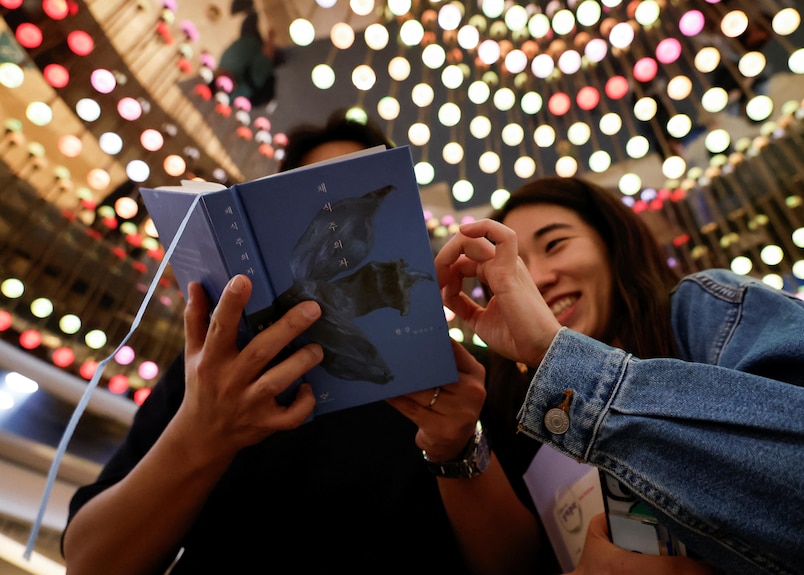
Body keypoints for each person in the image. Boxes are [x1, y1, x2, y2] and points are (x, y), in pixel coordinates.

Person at [60, 112, 558, 574]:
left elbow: (522, 565)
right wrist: (203, 432)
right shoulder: (213, 372)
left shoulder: (470, 380)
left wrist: (456, 448)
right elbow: (90, 561)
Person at [435, 175, 804, 575]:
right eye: (519, 270)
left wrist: (557, 353)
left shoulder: (704, 312)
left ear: (611, 244)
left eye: (556, 244)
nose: (540, 280)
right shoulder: (531, 414)